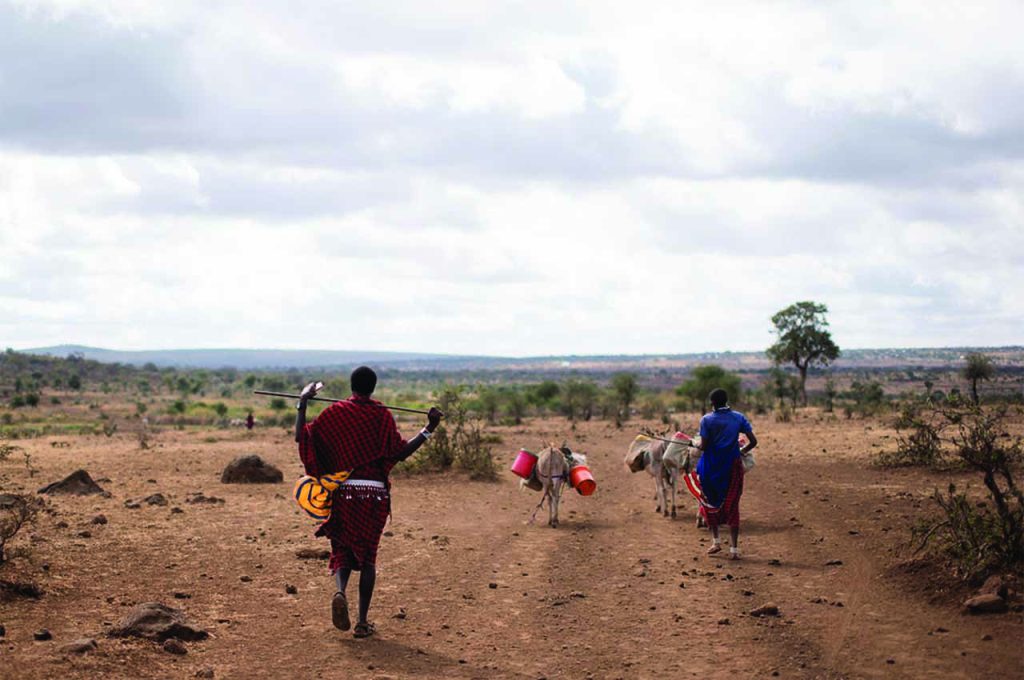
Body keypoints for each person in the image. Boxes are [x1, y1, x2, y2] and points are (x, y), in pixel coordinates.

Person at [294, 366, 442, 638]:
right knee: (368, 557)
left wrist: (302, 404)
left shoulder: (335, 413)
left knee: (342, 546)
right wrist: (429, 428)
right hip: (374, 497)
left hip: (345, 493)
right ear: (373, 387)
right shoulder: (380, 415)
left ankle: (340, 591)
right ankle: (362, 622)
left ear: (351, 385)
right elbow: (401, 452)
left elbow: (302, 437)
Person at [695, 388, 757, 560]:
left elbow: (704, 446)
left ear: (712, 403)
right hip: (732, 468)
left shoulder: (706, 420)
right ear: (726, 400)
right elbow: (754, 441)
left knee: (709, 503)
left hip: (710, 467)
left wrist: (697, 446)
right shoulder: (738, 417)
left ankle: (716, 542)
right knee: (733, 505)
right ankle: (734, 549)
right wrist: (741, 451)